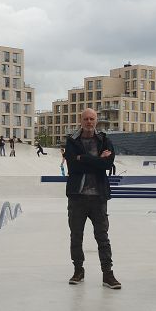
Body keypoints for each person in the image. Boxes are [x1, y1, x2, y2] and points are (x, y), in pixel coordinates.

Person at [64, 108, 120, 289]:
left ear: (96, 121)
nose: (89, 122)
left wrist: (83, 158)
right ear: (80, 120)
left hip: (98, 198)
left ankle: (108, 274)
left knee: (102, 237)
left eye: (92, 119)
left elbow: (107, 164)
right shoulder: (72, 141)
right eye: (86, 119)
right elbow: (73, 166)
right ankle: (78, 270)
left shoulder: (104, 140)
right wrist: (96, 161)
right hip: (77, 198)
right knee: (76, 237)